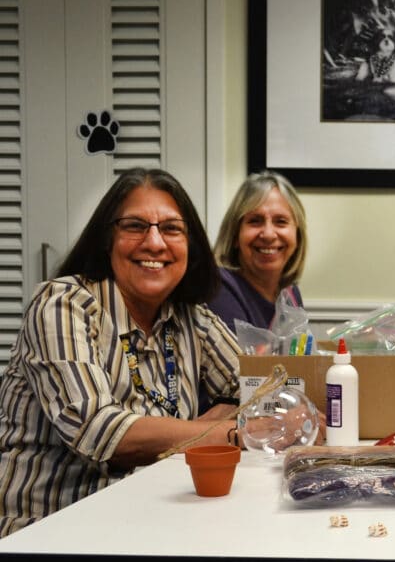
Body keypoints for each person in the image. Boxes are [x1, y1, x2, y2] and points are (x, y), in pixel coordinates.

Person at [0, 168, 243, 537]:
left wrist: (241, 413)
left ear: (190, 247)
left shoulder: (192, 319)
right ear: (106, 239)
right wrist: (223, 430)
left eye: (172, 228)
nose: (155, 243)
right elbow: (100, 432)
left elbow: (267, 387)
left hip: (145, 523)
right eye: (135, 226)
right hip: (45, 532)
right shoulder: (62, 304)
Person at [209, 170, 308, 333]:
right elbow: (239, 359)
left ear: (297, 235)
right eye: (255, 221)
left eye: (280, 222)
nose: (268, 234)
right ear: (235, 235)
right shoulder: (219, 288)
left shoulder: (290, 293)